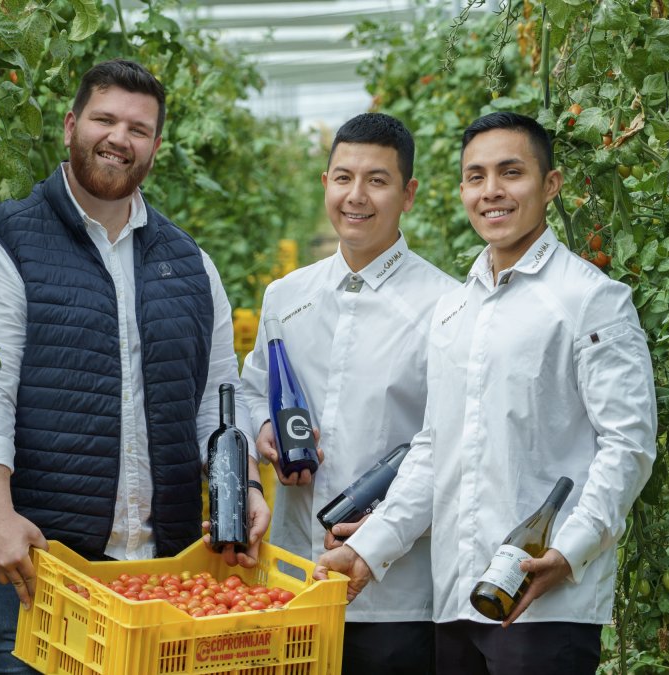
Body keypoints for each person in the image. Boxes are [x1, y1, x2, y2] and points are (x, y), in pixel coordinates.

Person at [0, 59, 269, 674]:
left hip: (162, 563)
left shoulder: (190, 263)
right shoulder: (2, 243)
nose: (120, 138)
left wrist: (245, 484)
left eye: (138, 129)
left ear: (155, 147)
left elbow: (217, 397)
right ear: (71, 126)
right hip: (39, 557)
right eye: (104, 120)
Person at [316, 111, 657, 674]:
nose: (491, 191)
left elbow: (628, 444)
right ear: (462, 192)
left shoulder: (589, 300)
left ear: (550, 184)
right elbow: (434, 450)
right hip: (456, 598)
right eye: (476, 177)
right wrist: (368, 550)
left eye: (511, 173)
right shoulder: (455, 310)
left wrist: (568, 551)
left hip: (544, 601)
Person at [240, 113, 458, 675]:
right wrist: (264, 429)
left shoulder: (447, 307)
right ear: (326, 184)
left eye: (377, 181)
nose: (356, 196)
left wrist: (382, 535)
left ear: (408, 194)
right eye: (343, 178)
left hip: (394, 596)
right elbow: (253, 389)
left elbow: (452, 447)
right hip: (292, 580)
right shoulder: (286, 295)